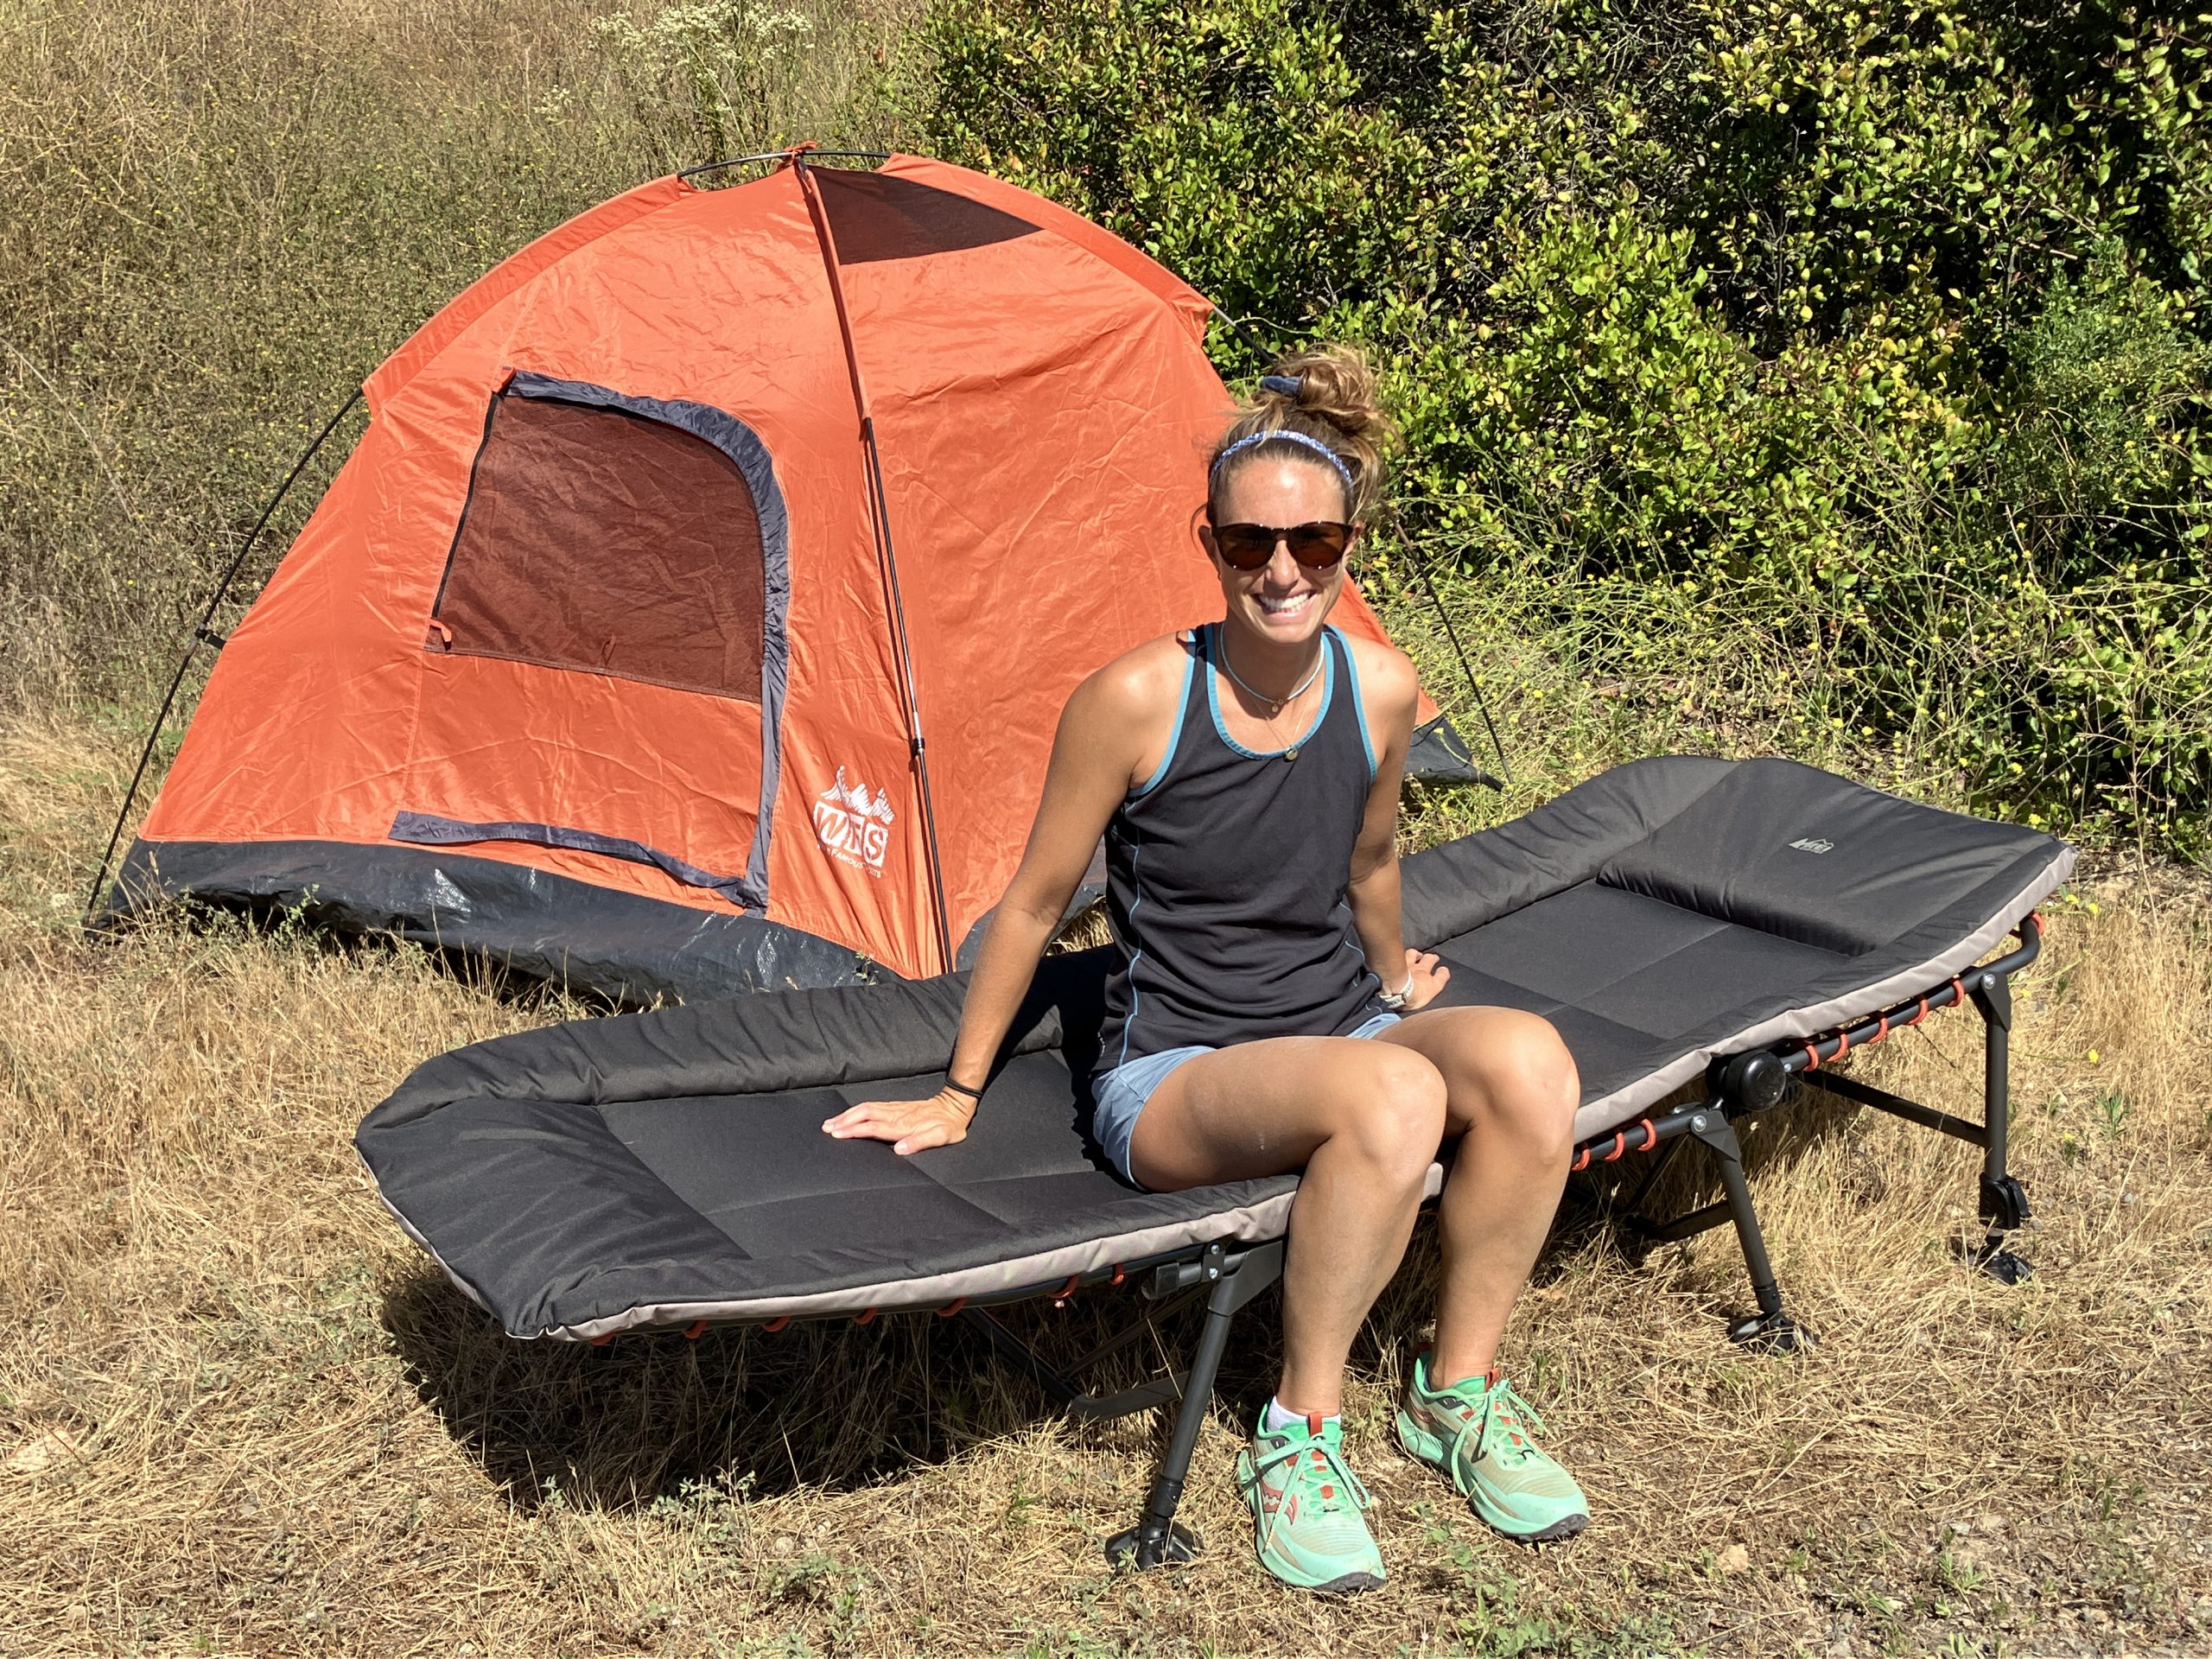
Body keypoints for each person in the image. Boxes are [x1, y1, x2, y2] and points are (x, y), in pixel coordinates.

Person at [822, 346, 1586, 1594]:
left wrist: (1394, 977)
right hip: (1178, 1071)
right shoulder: (1134, 701)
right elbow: (1026, 908)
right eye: (1251, 546)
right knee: (1389, 1101)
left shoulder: (1381, 688)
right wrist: (958, 1091)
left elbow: (1373, 855)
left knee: (1532, 1063)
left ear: (1350, 544)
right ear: (1211, 543)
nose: (1283, 570)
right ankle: (1301, 1433)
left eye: (1315, 544)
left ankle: (1457, 1394)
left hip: (1341, 1029)